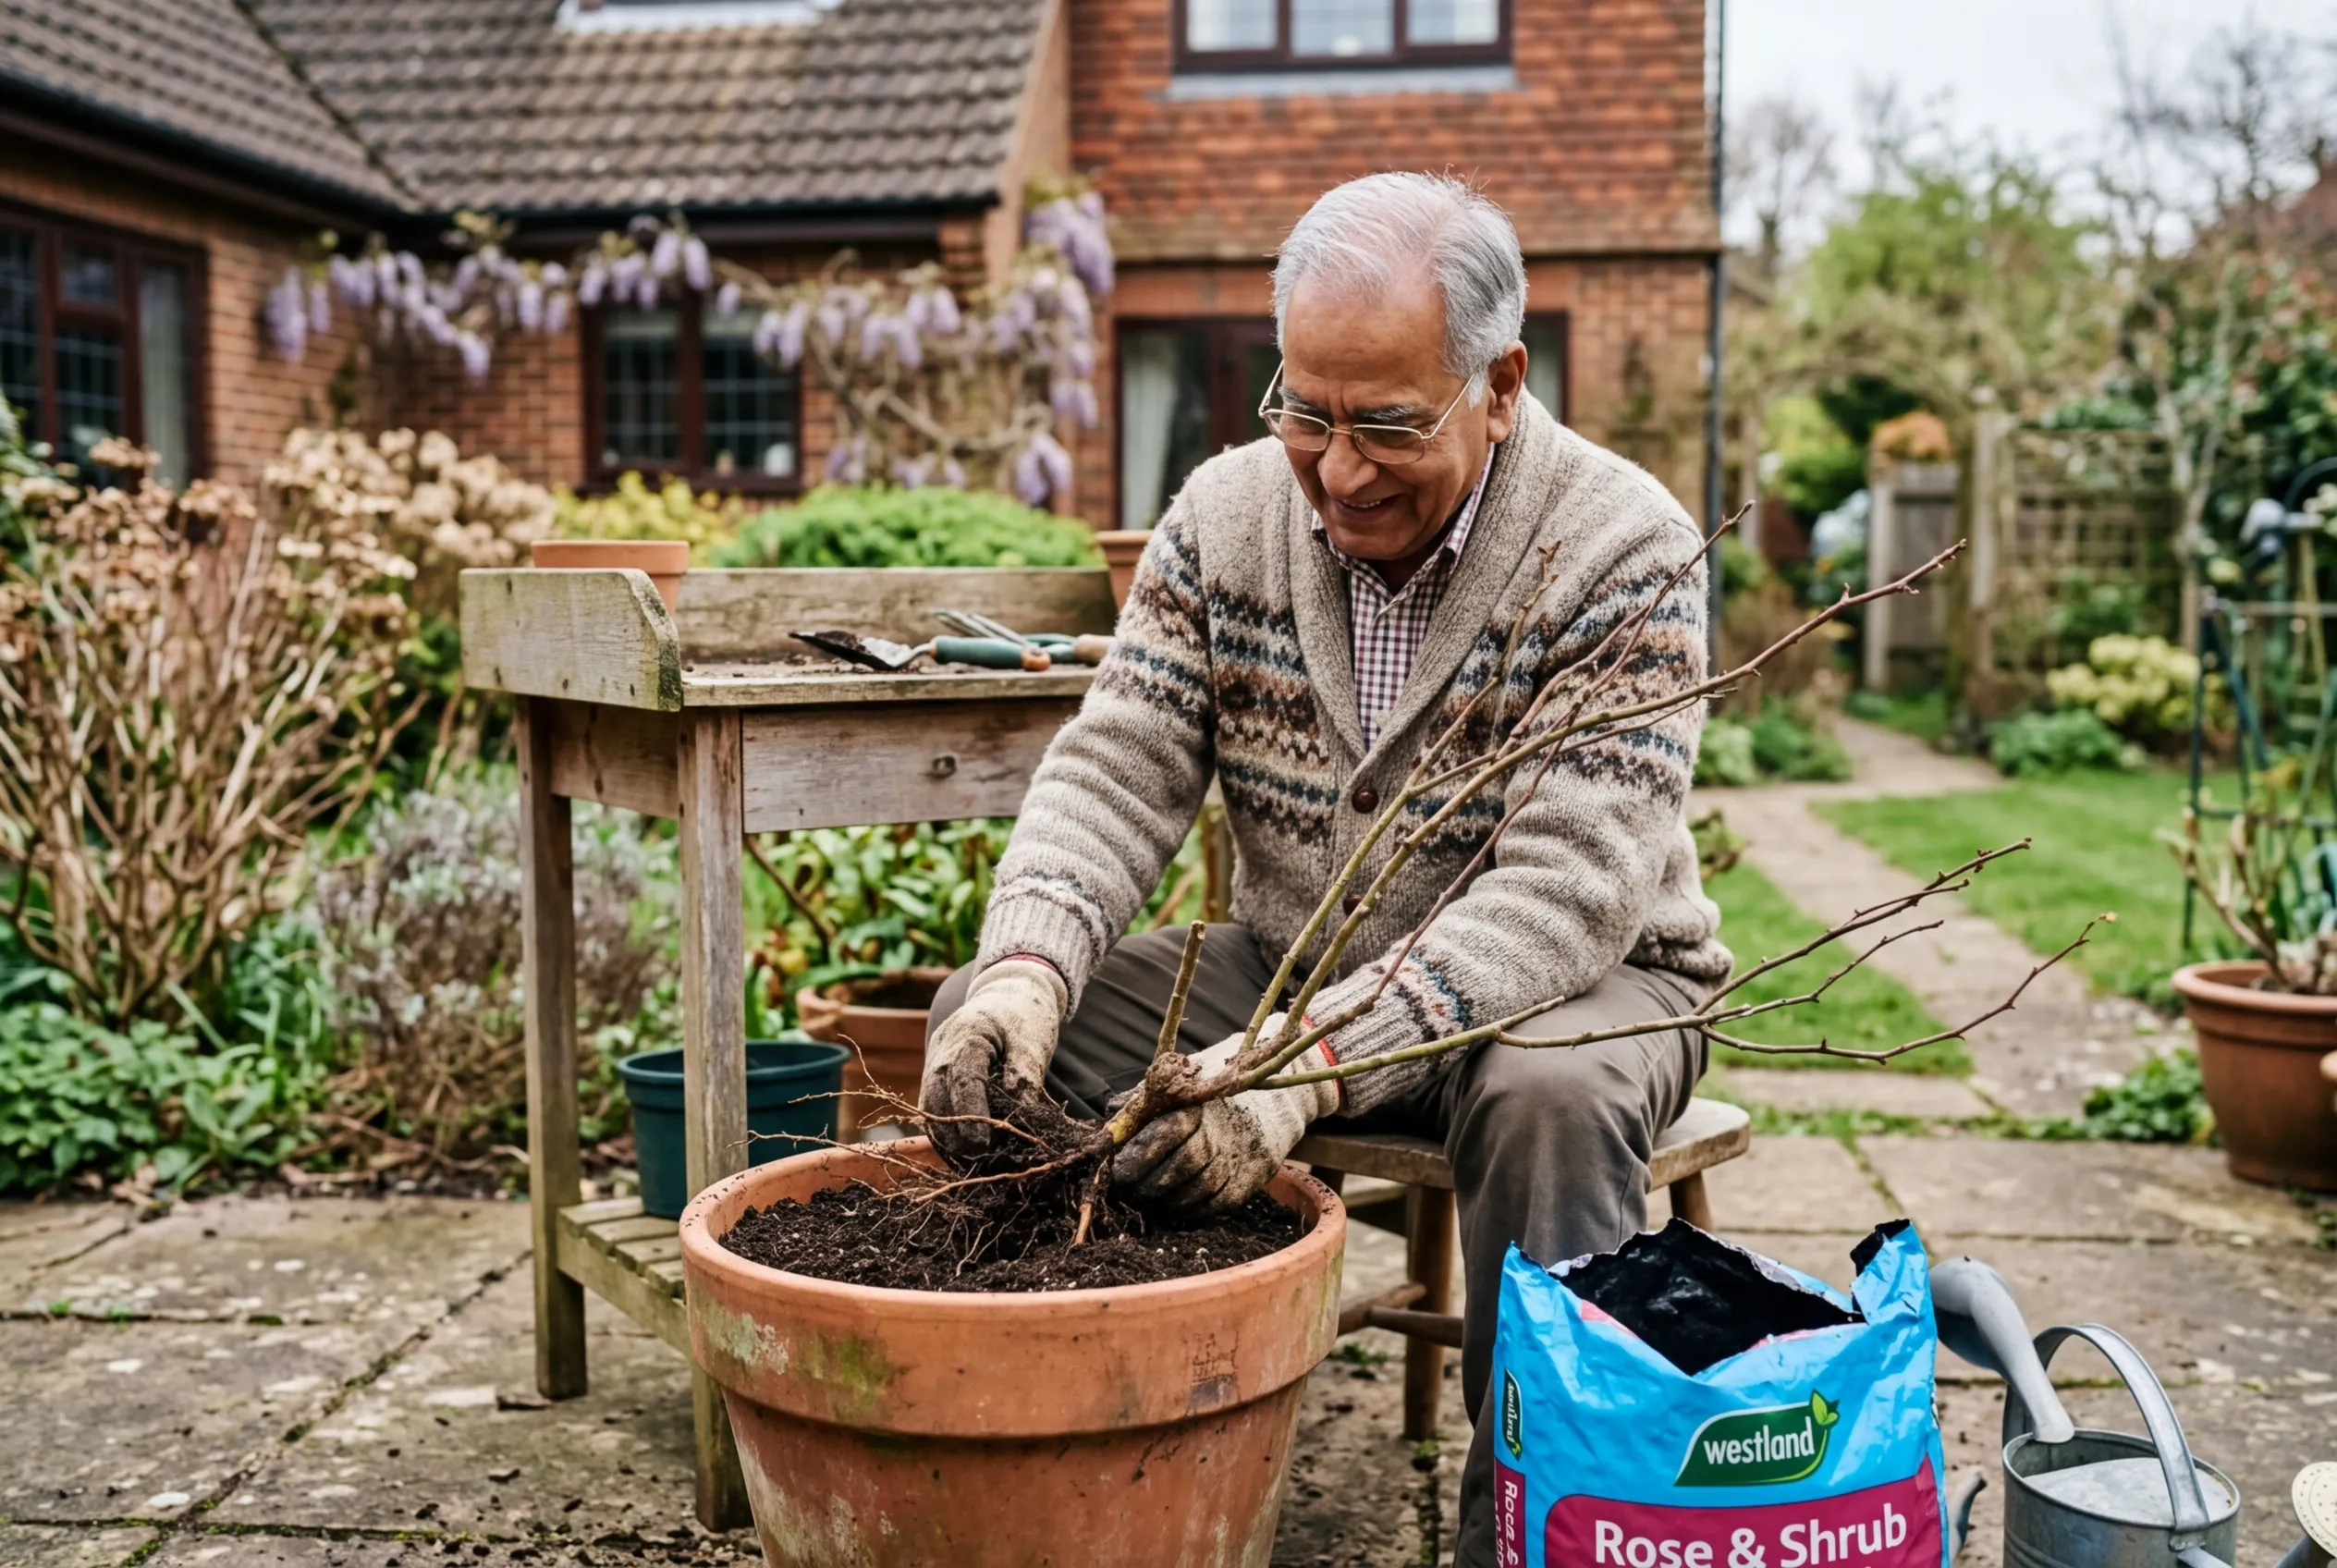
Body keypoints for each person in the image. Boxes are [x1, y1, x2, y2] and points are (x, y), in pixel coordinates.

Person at [921, 170, 1729, 1564]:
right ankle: (1065, 1455)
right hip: (1297, 957)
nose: (1338, 469)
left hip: (1576, 987)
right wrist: (1023, 977)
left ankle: (1537, 1527)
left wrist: (1291, 1072)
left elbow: (1562, 899)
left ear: (1500, 381)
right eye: (1305, 413)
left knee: (1541, 1097)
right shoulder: (1224, 517)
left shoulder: (1628, 550)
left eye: (1387, 425)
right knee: (985, 1046)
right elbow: (1116, 772)